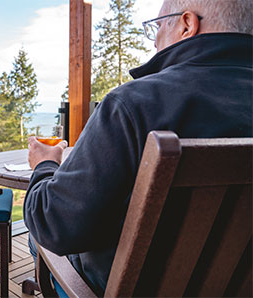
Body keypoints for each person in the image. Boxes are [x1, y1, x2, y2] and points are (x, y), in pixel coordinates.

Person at [23, 0, 253, 296]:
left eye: (158, 26)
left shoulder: (132, 105)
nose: (155, 40)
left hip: (133, 290)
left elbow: (54, 225)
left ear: (187, 24)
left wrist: (45, 165)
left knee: (36, 236)